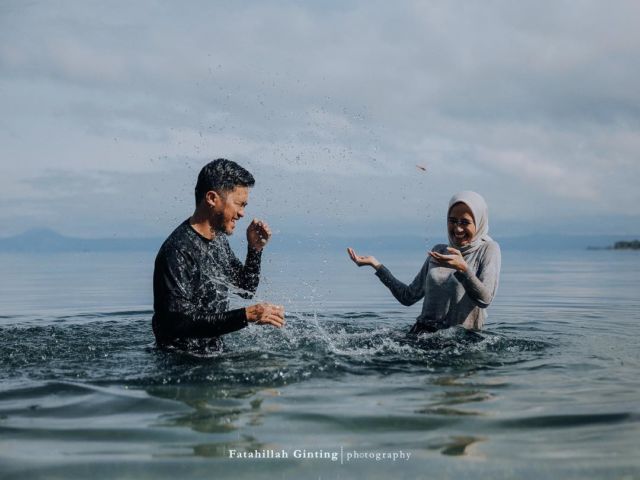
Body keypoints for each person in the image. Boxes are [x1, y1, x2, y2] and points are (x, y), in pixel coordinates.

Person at [152, 158, 285, 352]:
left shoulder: (218, 241)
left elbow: (245, 288)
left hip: (212, 354)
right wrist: (245, 316)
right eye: (239, 204)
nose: (242, 214)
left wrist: (254, 251)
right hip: (180, 364)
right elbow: (177, 322)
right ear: (212, 198)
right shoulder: (177, 251)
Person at [347, 191, 501, 333]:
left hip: (463, 341)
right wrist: (376, 265)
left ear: (479, 222)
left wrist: (463, 269)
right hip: (421, 335)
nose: (458, 228)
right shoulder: (439, 251)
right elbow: (408, 297)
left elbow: (485, 300)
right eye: (453, 221)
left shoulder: (488, 249)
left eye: (465, 222)